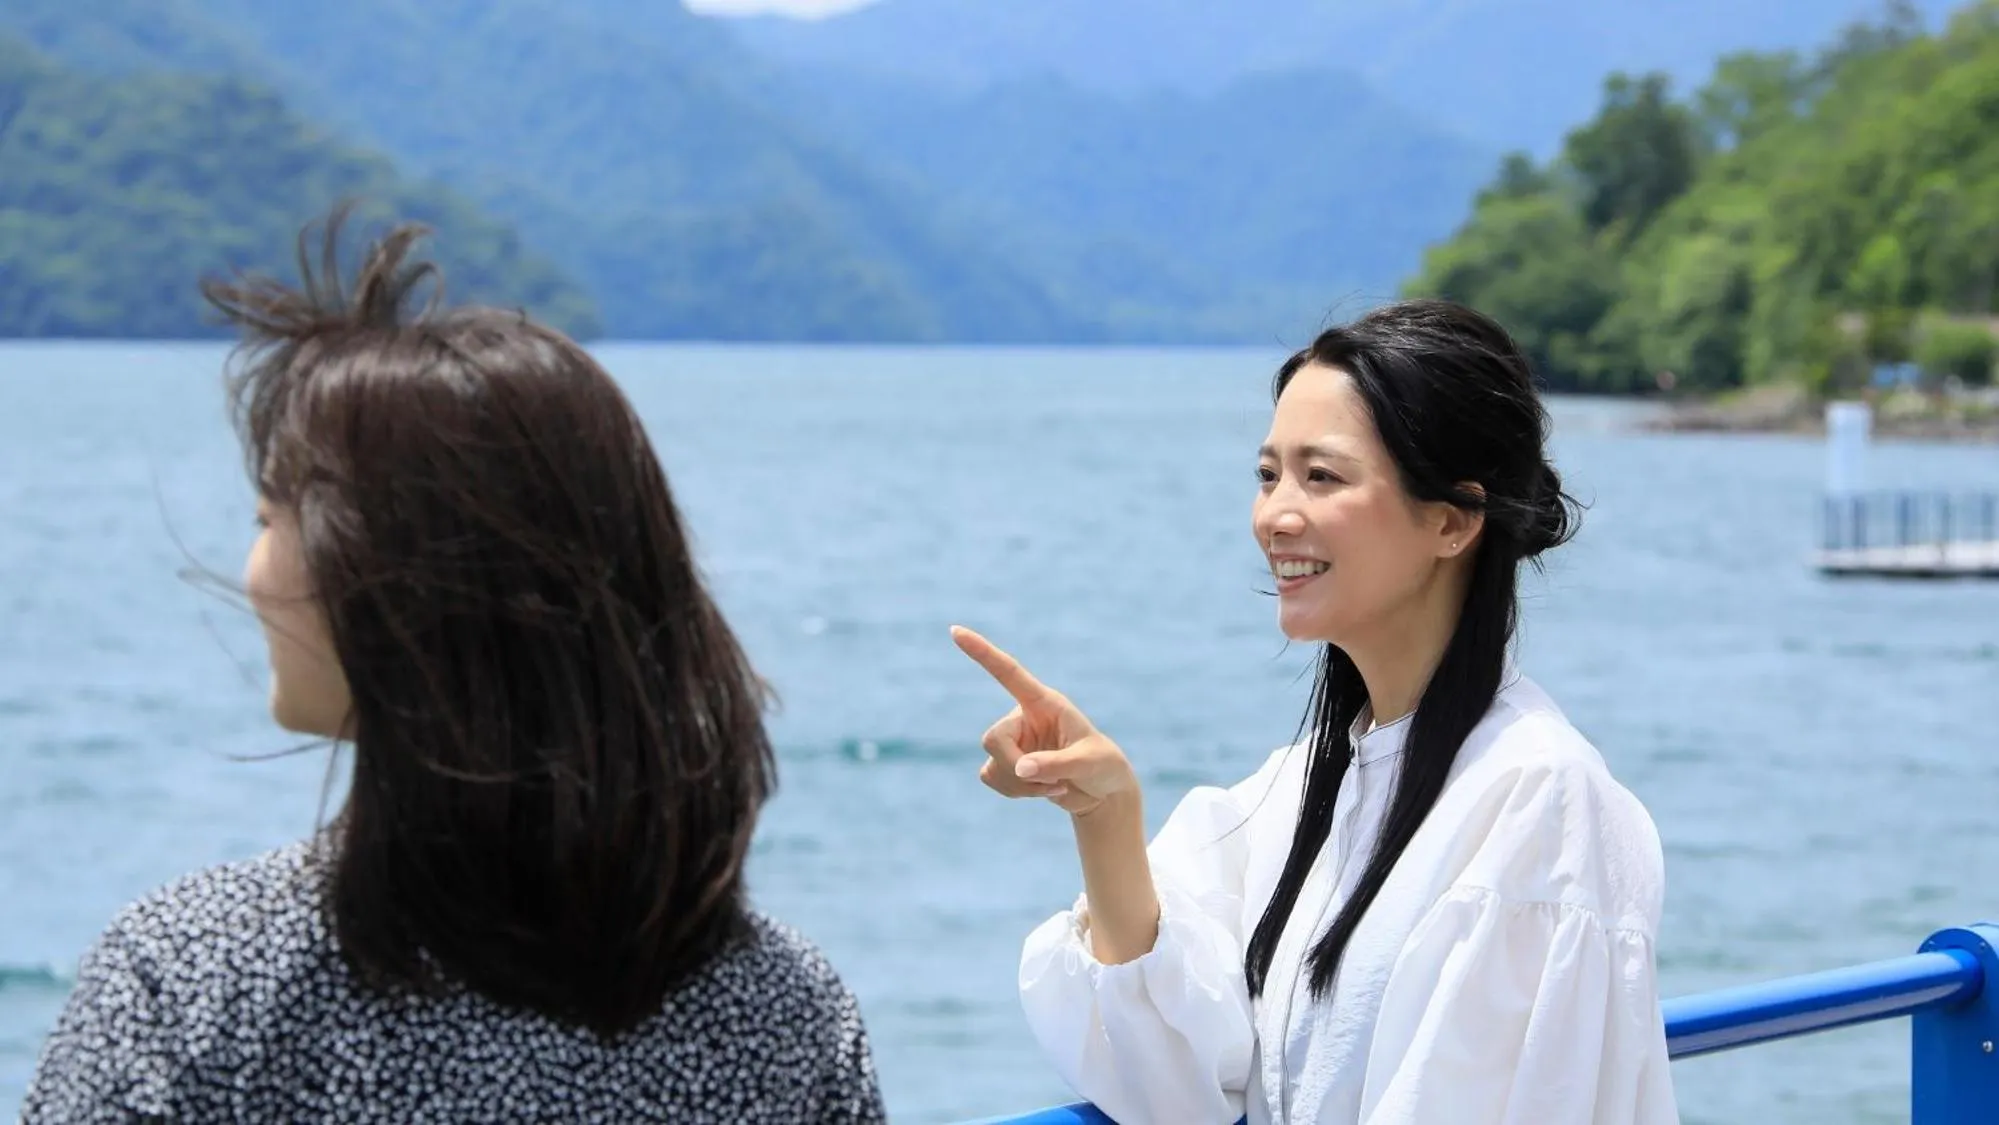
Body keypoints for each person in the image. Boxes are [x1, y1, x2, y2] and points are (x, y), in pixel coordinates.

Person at [23, 209, 886, 1123]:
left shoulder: (195, 982)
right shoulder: (783, 1015)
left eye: (269, 520)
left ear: (390, 588)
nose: (252, 572)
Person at [953, 299, 1678, 1124]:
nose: (1275, 515)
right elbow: (1171, 1074)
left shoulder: (1536, 800)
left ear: (1450, 518)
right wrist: (1104, 813)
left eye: (1320, 476)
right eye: (1268, 474)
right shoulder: (1311, 786)